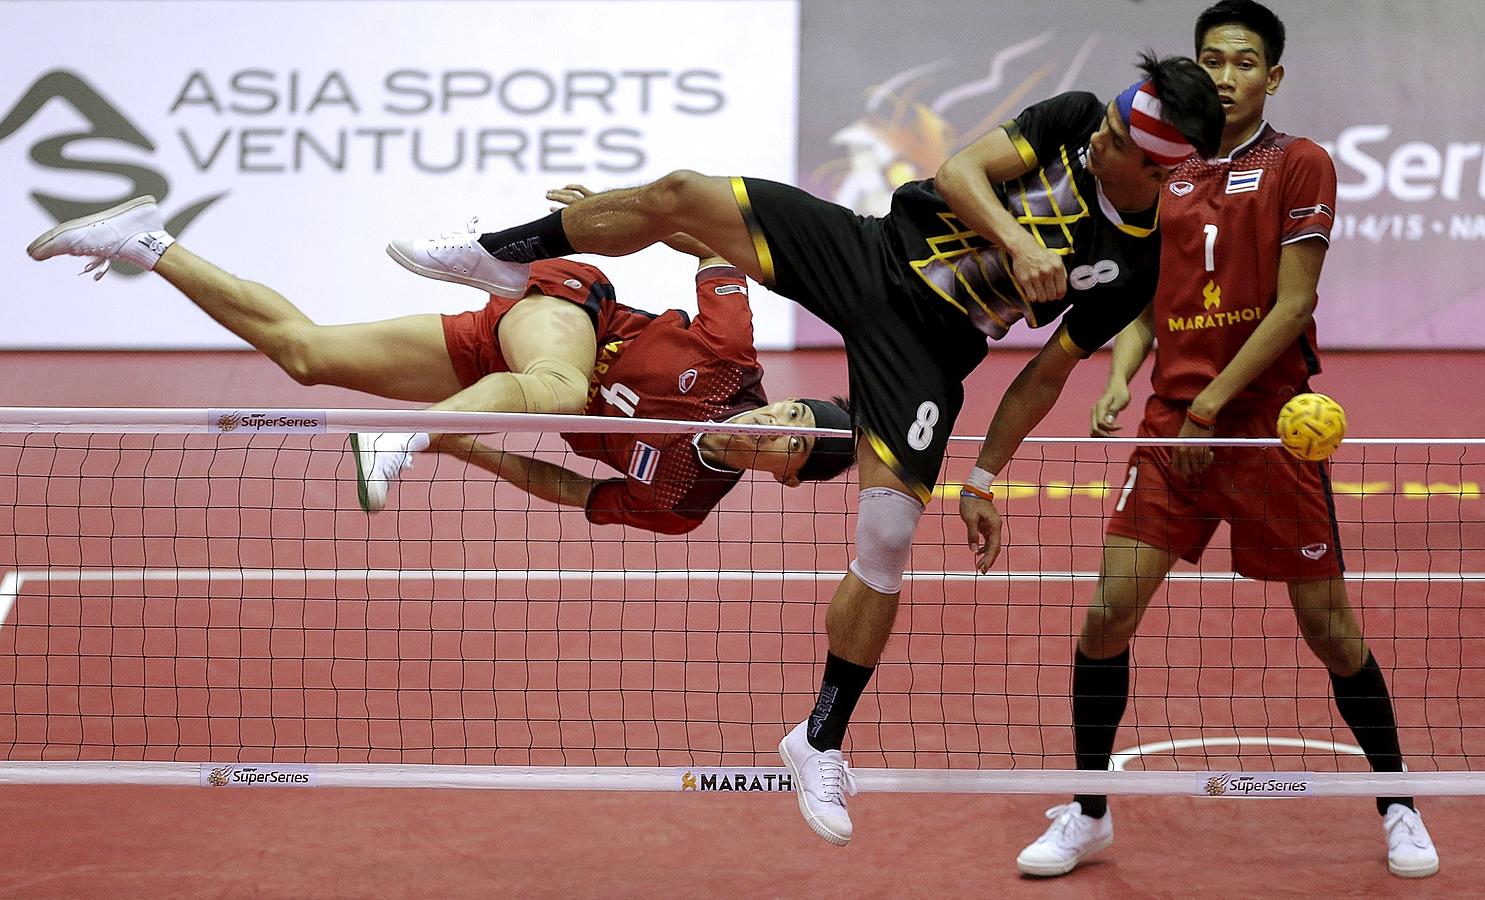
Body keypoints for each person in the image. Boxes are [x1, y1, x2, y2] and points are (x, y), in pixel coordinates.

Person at [384, 56, 1224, 845]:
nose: (1100, 141)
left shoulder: (1134, 262)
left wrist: (984, 475)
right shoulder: (1074, 117)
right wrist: (1019, 243)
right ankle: (500, 255)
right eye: (1109, 126)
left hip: (928, 356)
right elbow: (963, 171)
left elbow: (1044, 376)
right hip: (870, 254)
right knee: (680, 192)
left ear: (1160, 172)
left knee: (889, 540)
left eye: (1118, 146)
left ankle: (818, 739)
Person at [1013, 1, 1439, 880]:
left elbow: (1293, 305)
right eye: (1210, 58)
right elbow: (1148, 296)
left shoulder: (1300, 162)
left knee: (1331, 631)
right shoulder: (1166, 168)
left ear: (1271, 76)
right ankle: (1087, 809)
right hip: (1173, 428)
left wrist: (1210, 405)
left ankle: (1398, 803)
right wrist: (1124, 374)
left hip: (1261, 429)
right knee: (1104, 617)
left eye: (1243, 60)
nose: (1224, 74)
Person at [24, 188, 855, 535]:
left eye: (786, 443)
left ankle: (144, 240)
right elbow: (712, 240)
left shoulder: (680, 500)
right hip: (570, 309)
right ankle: (494, 286)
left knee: (303, 356)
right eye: (788, 415)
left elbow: (573, 489)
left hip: (496, 374)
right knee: (560, 385)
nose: (773, 423)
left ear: (782, 476)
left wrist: (472, 446)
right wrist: (603, 212)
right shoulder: (727, 354)